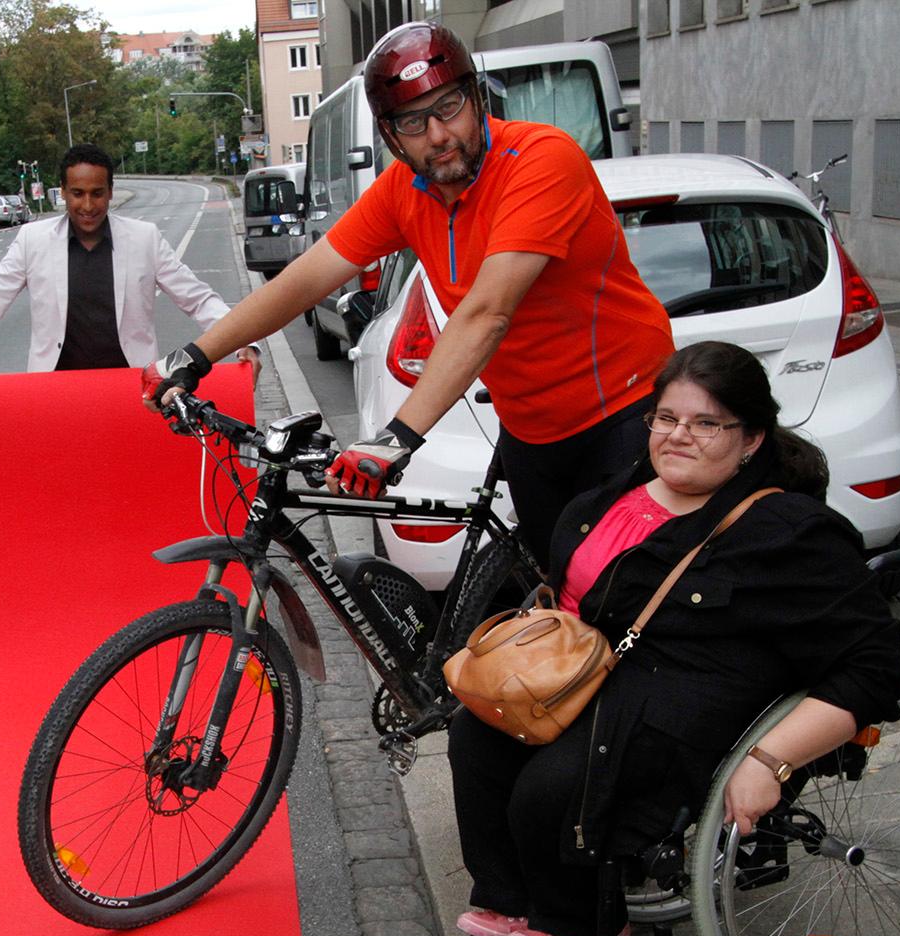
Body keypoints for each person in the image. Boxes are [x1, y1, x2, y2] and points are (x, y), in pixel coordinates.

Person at [446, 342, 900, 936]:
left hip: (686, 703)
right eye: (666, 419)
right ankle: (509, 895)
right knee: (475, 734)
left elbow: (874, 667)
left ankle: (583, 921)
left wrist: (771, 760)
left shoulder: (788, 533)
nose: (678, 436)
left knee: (552, 788)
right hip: (594, 677)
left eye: (706, 423)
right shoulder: (618, 496)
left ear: (751, 439)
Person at [144, 20, 673, 552]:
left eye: (449, 107)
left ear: (475, 96)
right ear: (390, 136)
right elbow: (305, 279)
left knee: (618, 603)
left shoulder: (540, 161)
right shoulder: (405, 189)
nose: (440, 135)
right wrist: (195, 354)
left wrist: (396, 438)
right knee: (559, 603)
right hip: (530, 427)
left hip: (619, 415)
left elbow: (487, 312)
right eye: (414, 122)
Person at [0, 144, 258, 399]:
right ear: (63, 192)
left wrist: (246, 342)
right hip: (55, 395)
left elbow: (199, 299)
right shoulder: (33, 241)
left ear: (110, 192)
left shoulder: (144, 239)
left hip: (132, 391)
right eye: (78, 193)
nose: (87, 205)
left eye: (97, 194)